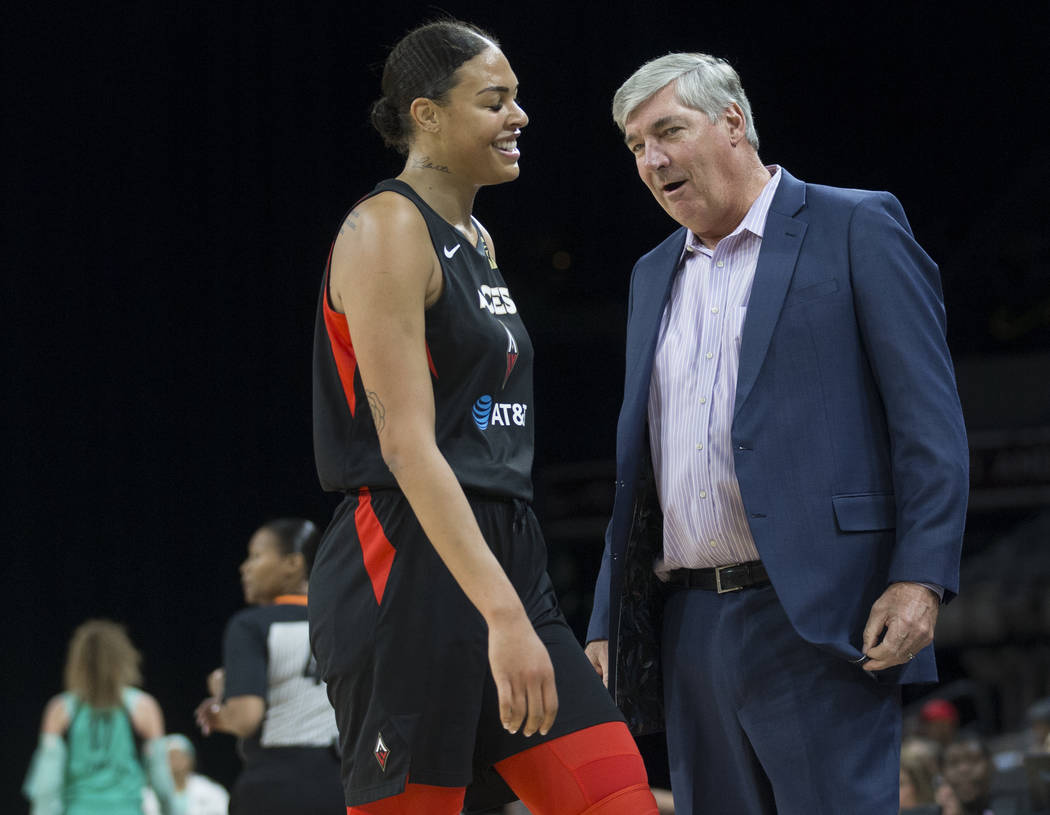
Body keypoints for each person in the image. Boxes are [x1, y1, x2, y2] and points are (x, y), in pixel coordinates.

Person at [584, 52, 969, 814]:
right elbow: (641, 464)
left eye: (668, 131)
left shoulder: (856, 223)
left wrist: (920, 574)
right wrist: (607, 618)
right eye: (636, 146)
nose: (652, 159)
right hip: (687, 622)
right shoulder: (650, 272)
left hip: (821, 612)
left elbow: (928, 423)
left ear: (732, 122)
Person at [309, 19, 659, 815]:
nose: (519, 116)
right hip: (405, 556)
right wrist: (502, 614)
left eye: (518, 99)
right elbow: (404, 443)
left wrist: (510, 599)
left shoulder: (478, 237)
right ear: (427, 114)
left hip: (502, 546)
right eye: (494, 100)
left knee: (617, 797)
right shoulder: (385, 228)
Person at [195, 518, 343, 814]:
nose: (245, 567)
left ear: (292, 563)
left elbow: (247, 717)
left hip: (276, 786)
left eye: (256, 556)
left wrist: (222, 703)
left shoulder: (251, 625)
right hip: (344, 784)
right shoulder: (345, 622)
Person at [23, 619, 175, 815]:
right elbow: (162, 783)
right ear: (123, 659)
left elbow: (46, 786)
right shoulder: (142, 706)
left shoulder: (61, 709)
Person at [164, 734, 229, 815]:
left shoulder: (210, 790)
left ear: (190, 759)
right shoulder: (151, 794)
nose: (175, 762)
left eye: (178, 756)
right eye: (170, 757)